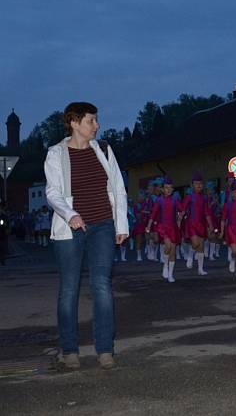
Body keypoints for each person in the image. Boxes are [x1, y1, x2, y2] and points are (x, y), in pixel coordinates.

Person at [44, 102, 129, 370]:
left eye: (96, 120)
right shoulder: (55, 154)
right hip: (71, 228)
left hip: (103, 224)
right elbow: (52, 193)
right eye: (92, 120)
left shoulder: (103, 150)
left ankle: (105, 350)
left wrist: (121, 225)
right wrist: (70, 214)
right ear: (74, 122)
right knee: (69, 289)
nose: (97, 125)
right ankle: (70, 350)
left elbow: (118, 187)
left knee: (102, 285)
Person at [146, 177, 181, 282]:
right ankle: (165, 265)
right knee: (168, 246)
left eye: (170, 188)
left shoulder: (175, 200)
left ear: (173, 189)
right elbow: (153, 214)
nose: (168, 190)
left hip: (173, 227)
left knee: (173, 251)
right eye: (166, 188)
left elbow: (182, 210)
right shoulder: (159, 200)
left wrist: (180, 217)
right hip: (163, 227)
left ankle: (170, 274)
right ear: (162, 189)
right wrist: (149, 225)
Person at [181, 172, 214, 275]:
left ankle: (200, 269)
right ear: (192, 185)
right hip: (191, 223)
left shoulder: (204, 198)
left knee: (201, 246)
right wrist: (179, 221)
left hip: (201, 224)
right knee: (195, 243)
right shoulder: (189, 197)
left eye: (200, 183)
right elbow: (183, 209)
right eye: (196, 183)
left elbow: (207, 212)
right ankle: (190, 256)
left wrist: (210, 225)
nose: (198, 185)